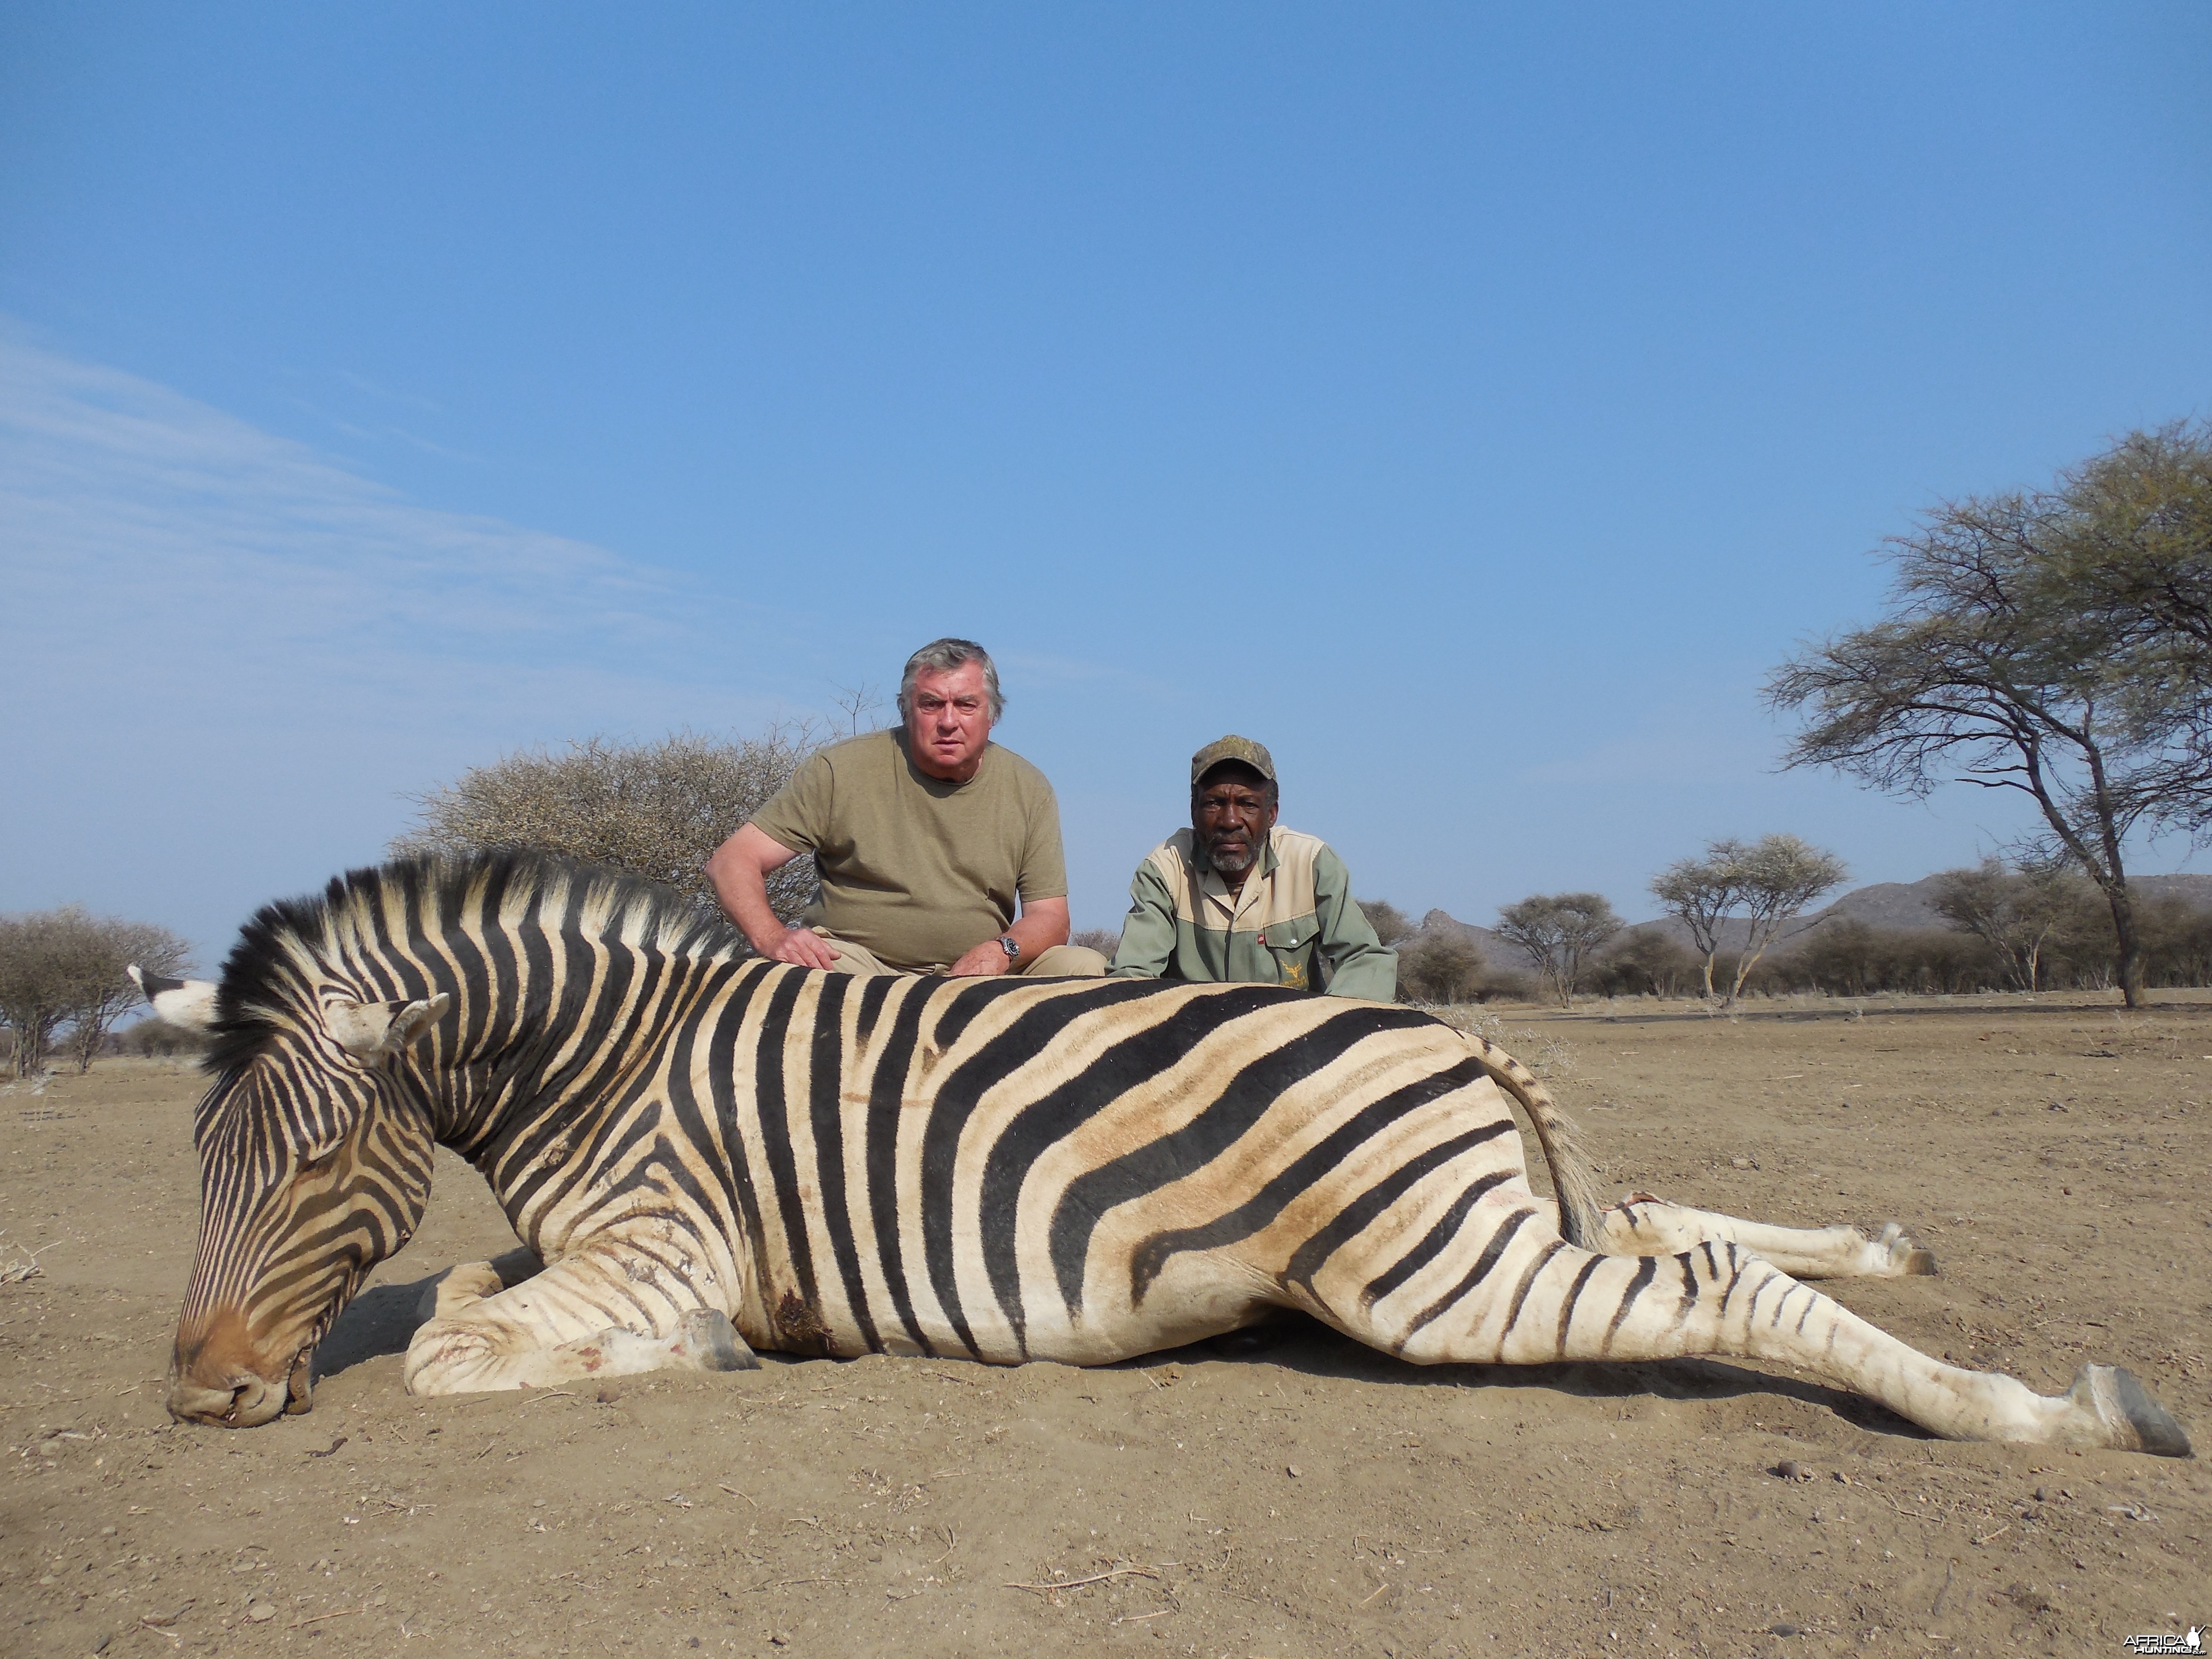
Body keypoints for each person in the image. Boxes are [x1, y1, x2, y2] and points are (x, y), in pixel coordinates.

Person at [706, 638, 1106, 978]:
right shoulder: (839, 769)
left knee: (1084, 967)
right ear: (907, 710)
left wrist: (1000, 952)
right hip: (859, 966)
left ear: (992, 714)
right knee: (804, 975)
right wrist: (773, 936)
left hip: (981, 975)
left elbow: (1051, 917)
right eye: (931, 705)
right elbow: (732, 861)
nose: (949, 721)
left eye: (966, 705)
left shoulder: (1029, 787)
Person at [1107, 735, 1395, 999]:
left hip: (1295, 1041)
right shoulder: (1165, 869)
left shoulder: (1311, 863)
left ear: (1271, 814)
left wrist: (1330, 1032)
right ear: (1193, 811)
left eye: (1247, 804)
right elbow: (1132, 979)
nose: (1230, 820)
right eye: (1214, 803)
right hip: (1193, 1041)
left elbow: (1366, 959)